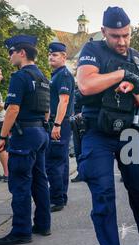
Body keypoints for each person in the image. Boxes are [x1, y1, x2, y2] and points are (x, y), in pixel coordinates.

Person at [76, 7, 139, 245]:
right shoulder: (92, 50)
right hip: (97, 132)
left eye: (126, 35)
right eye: (115, 36)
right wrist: (122, 74)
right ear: (103, 31)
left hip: (129, 133)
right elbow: (87, 84)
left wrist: (136, 87)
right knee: (103, 196)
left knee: (137, 187)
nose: (121, 41)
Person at [0, 35, 51, 245]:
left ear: (22, 53)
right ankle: (43, 224)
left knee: (19, 184)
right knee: (39, 181)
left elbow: (13, 109)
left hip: (24, 136)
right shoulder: (43, 77)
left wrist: (1, 137)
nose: (9, 57)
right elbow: (47, 110)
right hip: (40, 133)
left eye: (11, 52)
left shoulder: (20, 77)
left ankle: (21, 231)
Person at [46, 42, 75, 212]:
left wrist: (56, 124)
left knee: (54, 162)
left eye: (55, 54)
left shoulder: (63, 75)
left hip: (60, 122)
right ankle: (60, 196)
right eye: (50, 54)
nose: (51, 57)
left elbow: (63, 101)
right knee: (61, 162)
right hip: (60, 122)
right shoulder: (57, 74)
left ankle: (56, 199)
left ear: (64, 57)